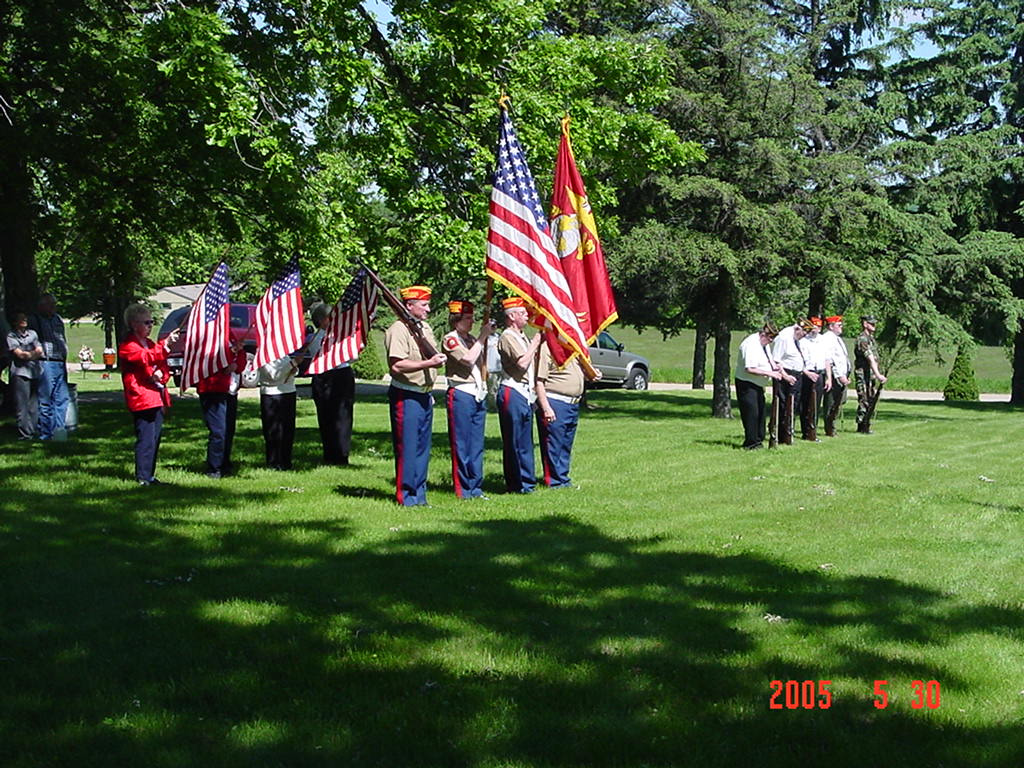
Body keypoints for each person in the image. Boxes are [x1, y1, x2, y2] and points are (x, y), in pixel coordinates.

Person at [385, 285, 446, 506]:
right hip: (406, 394)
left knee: (422, 448)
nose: (428, 309)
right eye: (424, 305)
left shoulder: (424, 328)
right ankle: (406, 496)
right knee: (408, 447)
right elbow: (397, 365)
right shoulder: (398, 329)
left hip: (424, 394)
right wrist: (428, 363)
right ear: (409, 306)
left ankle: (420, 495)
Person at [118, 304, 178, 485]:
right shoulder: (128, 346)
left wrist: (162, 374)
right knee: (146, 438)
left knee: (155, 438)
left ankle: (149, 475)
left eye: (151, 322)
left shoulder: (150, 343)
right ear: (133, 324)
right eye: (146, 322)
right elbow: (145, 357)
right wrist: (165, 344)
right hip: (142, 397)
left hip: (157, 396)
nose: (150, 326)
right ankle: (143, 476)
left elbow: (162, 364)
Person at [442, 300, 493, 499]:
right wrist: (482, 337)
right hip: (461, 393)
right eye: (468, 318)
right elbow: (468, 359)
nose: (472, 321)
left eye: (472, 317)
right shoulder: (450, 339)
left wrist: (482, 339)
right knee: (462, 443)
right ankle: (463, 488)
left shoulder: (472, 339)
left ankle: (475, 486)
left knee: (476, 444)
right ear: (456, 320)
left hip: (477, 393)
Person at [535, 344, 601, 488]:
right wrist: (546, 407)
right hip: (555, 402)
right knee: (553, 444)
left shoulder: (573, 346)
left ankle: (563, 478)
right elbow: (539, 381)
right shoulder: (548, 347)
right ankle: (553, 481)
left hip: (572, 403)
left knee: (565, 445)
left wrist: (592, 373)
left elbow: (579, 371)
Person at [496, 297, 543, 493]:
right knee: (514, 440)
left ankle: (527, 481)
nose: (526, 316)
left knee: (525, 440)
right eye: (522, 313)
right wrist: (535, 343)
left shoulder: (522, 336)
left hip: (525, 392)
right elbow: (522, 364)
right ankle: (515, 483)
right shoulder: (508, 337)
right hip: (512, 390)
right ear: (512, 316)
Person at [308, 302, 356, 466]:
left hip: (342, 374)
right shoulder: (317, 338)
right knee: (326, 416)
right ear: (323, 320)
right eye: (331, 317)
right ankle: (330, 453)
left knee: (343, 415)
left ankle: (342, 453)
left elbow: (352, 357)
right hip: (325, 376)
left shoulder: (340, 334)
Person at [735, 322, 791, 449]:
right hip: (747, 384)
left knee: (761, 414)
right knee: (752, 414)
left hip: (758, 384)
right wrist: (770, 373)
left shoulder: (764, 344)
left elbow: (769, 359)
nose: (771, 341)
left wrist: (776, 368)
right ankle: (751, 443)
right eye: (770, 338)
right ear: (763, 334)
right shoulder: (750, 345)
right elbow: (750, 368)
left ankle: (759, 440)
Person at [197, 341, 247, 478]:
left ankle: (225, 463)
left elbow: (242, 358)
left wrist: (236, 365)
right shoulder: (210, 337)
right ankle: (214, 467)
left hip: (230, 391)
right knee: (218, 430)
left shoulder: (231, 337)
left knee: (229, 429)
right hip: (213, 389)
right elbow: (209, 358)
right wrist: (230, 353)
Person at [31, 294, 70, 440]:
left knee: (62, 398)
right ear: (41, 306)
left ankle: (59, 430)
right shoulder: (34, 320)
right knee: (46, 398)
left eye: (54, 304)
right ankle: (46, 433)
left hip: (60, 361)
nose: (53, 307)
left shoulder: (57, 319)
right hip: (45, 362)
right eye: (50, 304)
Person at [770, 319, 810, 444]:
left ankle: (788, 432)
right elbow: (776, 361)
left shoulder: (795, 339)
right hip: (786, 375)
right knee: (783, 405)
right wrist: (785, 376)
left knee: (793, 405)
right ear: (798, 329)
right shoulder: (784, 338)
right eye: (804, 332)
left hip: (796, 374)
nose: (805, 336)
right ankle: (780, 435)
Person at [6, 311, 43, 440]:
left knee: (34, 405)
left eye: (25, 318)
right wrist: (32, 354)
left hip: (35, 372)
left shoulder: (33, 334)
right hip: (20, 374)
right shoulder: (11, 336)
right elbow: (20, 355)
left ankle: (33, 430)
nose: (24, 320)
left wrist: (29, 355)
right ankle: (25, 433)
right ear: (15, 322)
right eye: (21, 318)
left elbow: (40, 350)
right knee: (22, 405)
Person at [259, 354, 299, 470]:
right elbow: (274, 375)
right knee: (273, 430)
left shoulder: (283, 354)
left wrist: (293, 368)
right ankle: (274, 462)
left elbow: (293, 371)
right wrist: (292, 364)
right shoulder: (264, 355)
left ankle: (286, 460)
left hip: (288, 391)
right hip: (272, 394)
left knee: (288, 429)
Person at [799, 316, 832, 441]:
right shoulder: (803, 341)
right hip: (807, 373)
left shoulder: (823, 341)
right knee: (805, 403)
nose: (815, 329)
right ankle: (805, 431)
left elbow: (827, 360)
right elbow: (799, 360)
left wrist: (829, 378)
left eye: (818, 327)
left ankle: (813, 429)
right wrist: (806, 372)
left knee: (816, 404)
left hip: (820, 373)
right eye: (813, 327)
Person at [854, 314, 887, 433]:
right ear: (865, 324)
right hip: (863, 375)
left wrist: (876, 374)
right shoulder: (862, 339)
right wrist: (878, 375)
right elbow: (870, 358)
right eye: (871, 323)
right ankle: (862, 425)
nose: (874, 325)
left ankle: (866, 423)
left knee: (871, 398)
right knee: (864, 399)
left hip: (871, 375)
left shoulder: (871, 339)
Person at [820, 315, 850, 436]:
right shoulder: (828, 338)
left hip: (842, 375)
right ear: (831, 326)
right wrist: (839, 376)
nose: (841, 327)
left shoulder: (837, 338)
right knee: (832, 402)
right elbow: (830, 360)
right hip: (834, 375)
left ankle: (832, 425)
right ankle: (830, 428)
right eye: (839, 325)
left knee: (839, 401)